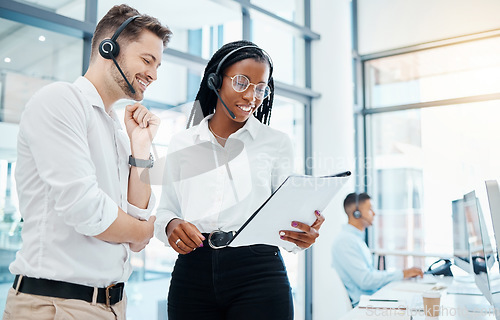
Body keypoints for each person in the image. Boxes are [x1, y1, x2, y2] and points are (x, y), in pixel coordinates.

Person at [2, 5, 172, 320]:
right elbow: (86, 209)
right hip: (56, 304)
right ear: (109, 48)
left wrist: (141, 148)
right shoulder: (60, 101)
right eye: (147, 60)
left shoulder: (117, 131)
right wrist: (145, 230)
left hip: (109, 304)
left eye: (158, 65)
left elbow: (135, 217)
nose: (154, 74)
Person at [154, 40, 324, 320]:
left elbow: (286, 218)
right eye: (242, 82)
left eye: (260, 87)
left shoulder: (277, 143)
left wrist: (302, 234)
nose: (252, 96)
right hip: (193, 271)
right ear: (216, 81)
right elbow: (166, 209)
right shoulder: (183, 142)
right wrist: (171, 225)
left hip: (259, 272)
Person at [332, 192, 424, 307]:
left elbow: (369, 275)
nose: (374, 214)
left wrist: (402, 274)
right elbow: (366, 281)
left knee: (414, 299)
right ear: (356, 213)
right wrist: (402, 273)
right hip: (366, 304)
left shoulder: (355, 239)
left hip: (373, 298)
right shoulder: (346, 241)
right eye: (370, 209)